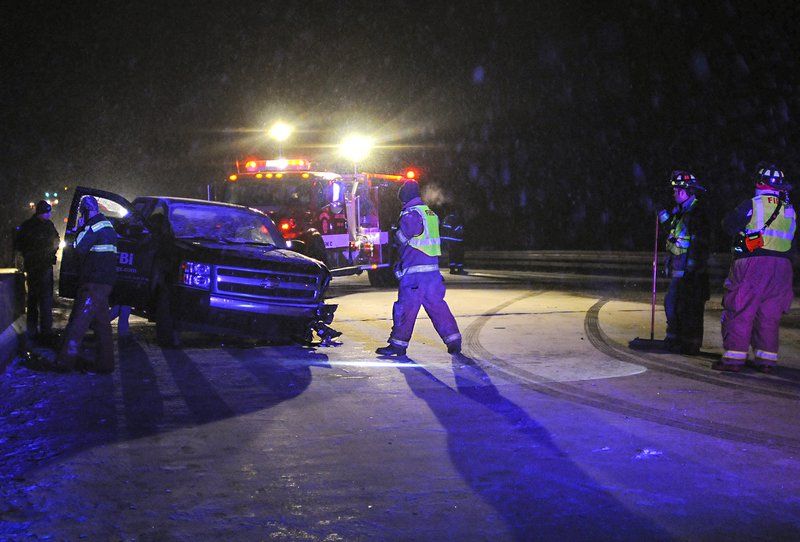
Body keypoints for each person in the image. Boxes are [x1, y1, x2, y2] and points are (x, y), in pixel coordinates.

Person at [717, 164, 796, 373]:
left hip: (753, 264)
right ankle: (767, 361)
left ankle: (733, 360)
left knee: (740, 309)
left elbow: (728, 225)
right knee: (769, 315)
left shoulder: (752, 204)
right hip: (783, 267)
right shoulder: (790, 209)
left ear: (759, 183)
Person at [376, 180, 462, 356]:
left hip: (415, 274)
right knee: (438, 308)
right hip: (432, 273)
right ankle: (454, 340)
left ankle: (398, 345)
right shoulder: (430, 213)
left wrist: (395, 234)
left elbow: (402, 239)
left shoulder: (411, 214)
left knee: (405, 309)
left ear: (405, 197)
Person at [55, 195, 119, 373]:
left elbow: (78, 247)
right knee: (102, 325)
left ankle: (65, 361)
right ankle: (106, 365)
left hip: (93, 283)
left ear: (85, 210)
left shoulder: (93, 226)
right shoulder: (107, 225)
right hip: (104, 282)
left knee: (79, 323)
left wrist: (79, 228)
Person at [657, 171, 710, 355]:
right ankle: (675, 339)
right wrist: (663, 216)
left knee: (687, 309)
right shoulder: (681, 212)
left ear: (685, 191)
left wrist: (693, 268)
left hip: (689, 272)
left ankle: (688, 344)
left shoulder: (697, 213)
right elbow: (673, 235)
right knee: (673, 305)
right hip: (679, 269)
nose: (674, 194)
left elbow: (699, 243)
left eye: (676, 190)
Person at [13, 200, 60, 342]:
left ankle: (33, 330)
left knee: (34, 299)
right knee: (43, 299)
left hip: (34, 266)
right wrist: (49, 253)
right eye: (48, 212)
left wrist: (28, 255)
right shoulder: (46, 226)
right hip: (41, 266)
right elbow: (56, 240)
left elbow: (19, 244)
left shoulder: (28, 225)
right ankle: (45, 331)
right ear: (43, 213)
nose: (49, 215)